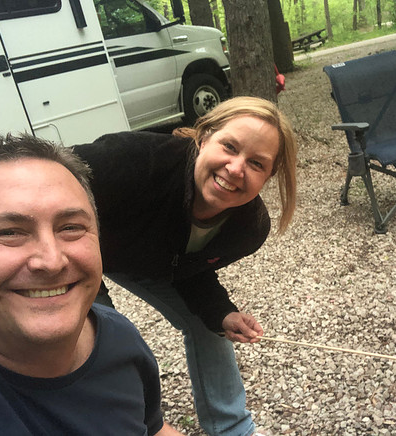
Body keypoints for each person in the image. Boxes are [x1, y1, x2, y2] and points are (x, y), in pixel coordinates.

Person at [73, 96, 298, 436]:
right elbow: (47, 173)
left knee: (211, 326)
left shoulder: (248, 229)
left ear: (268, 176)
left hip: (141, 258)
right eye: (229, 147)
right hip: (81, 251)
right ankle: (125, 424)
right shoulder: (134, 158)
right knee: (101, 333)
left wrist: (221, 313)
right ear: (204, 137)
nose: (236, 169)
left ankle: (233, 428)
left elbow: (185, 267)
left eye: (256, 163)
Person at [0, 133, 182, 436]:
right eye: (9, 232)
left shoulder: (117, 338)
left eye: (70, 227)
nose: (52, 261)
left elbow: (152, 429)